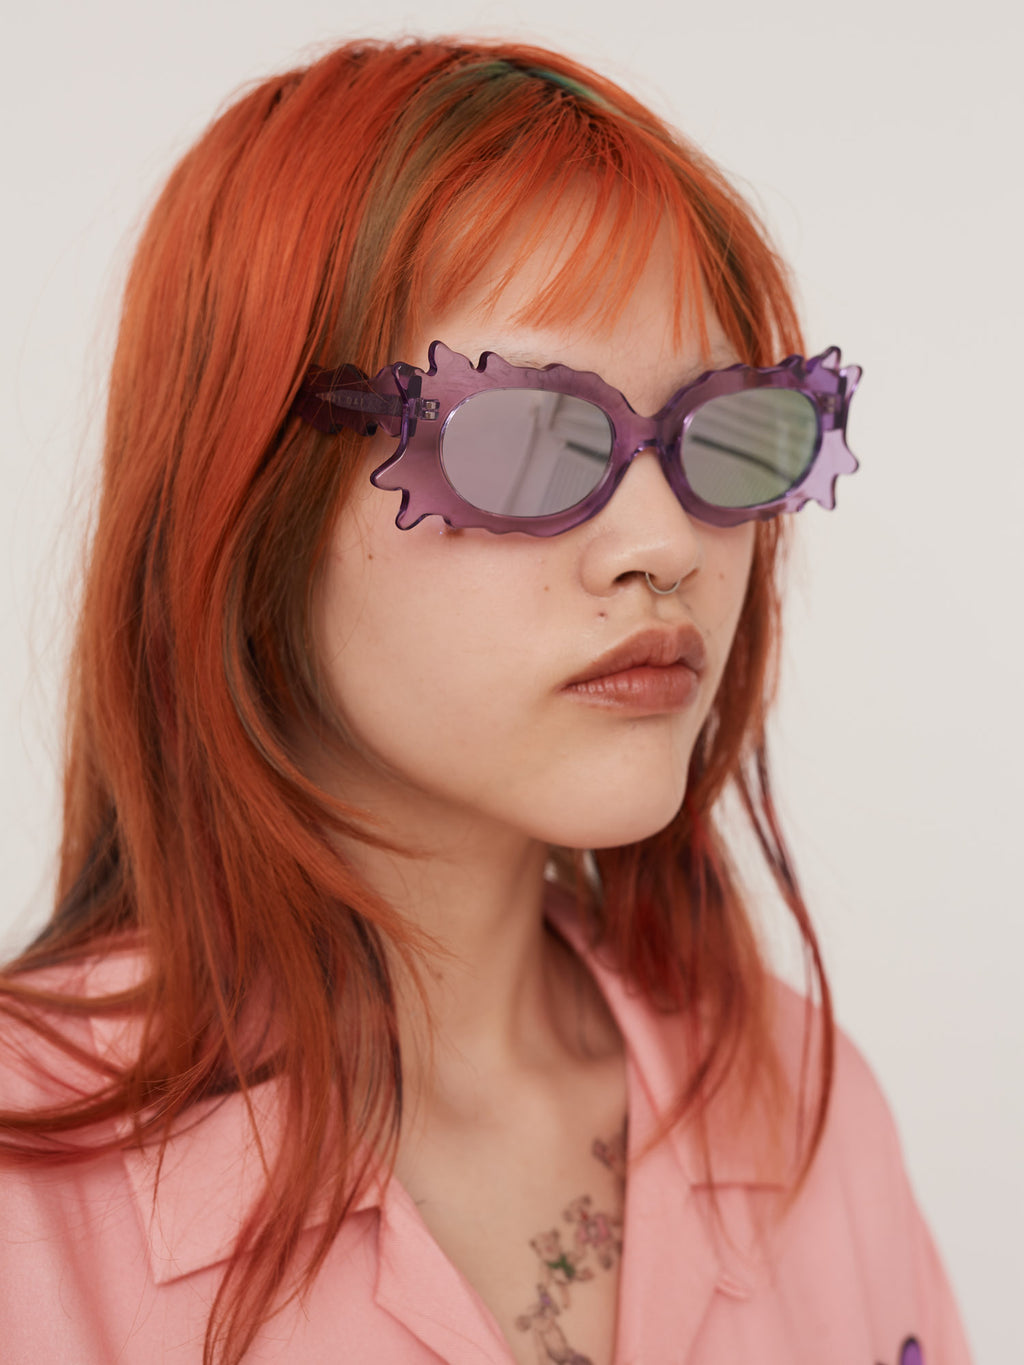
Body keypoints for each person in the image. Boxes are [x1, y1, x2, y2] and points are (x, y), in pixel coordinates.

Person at [0, 37, 972, 1365]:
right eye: (524, 436)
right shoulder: (29, 1201)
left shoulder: (804, 1108)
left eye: (724, 432)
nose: (665, 546)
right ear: (248, 495)